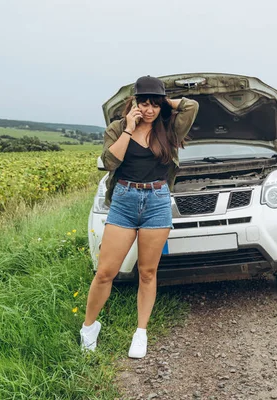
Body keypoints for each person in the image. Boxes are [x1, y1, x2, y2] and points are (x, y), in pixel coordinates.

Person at [80, 75, 199, 358]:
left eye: (153, 104)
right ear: (133, 103)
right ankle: (88, 327)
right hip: (124, 200)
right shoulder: (118, 128)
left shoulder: (169, 128)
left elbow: (191, 106)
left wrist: (165, 103)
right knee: (105, 272)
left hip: (157, 201)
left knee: (147, 272)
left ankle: (140, 332)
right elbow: (109, 163)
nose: (149, 110)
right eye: (143, 103)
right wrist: (130, 129)